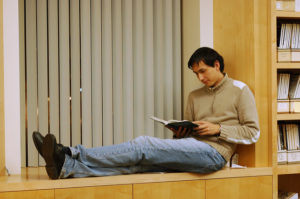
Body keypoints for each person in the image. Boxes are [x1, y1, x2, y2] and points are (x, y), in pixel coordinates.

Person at [32, 47, 260, 179]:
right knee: (137, 166)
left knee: (143, 145)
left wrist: (218, 129)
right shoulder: (194, 95)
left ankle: (69, 152)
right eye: (196, 74)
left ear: (217, 65)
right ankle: (67, 168)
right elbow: (188, 138)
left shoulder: (240, 90)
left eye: (203, 71)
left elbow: (252, 133)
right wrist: (180, 133)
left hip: (215, 154)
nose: (200, 77)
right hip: (194, 149)